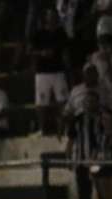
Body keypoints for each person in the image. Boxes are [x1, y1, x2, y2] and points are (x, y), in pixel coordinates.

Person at [67, 90, 105, 199]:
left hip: (98, 162)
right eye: (87, 101)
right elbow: (71, 140)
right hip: (82, 163)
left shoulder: (102, 118)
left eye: (92, 101)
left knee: (103, 193)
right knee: (84, 196)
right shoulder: (77, 120)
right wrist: (69, 158)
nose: (89, 104)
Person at [31, 7, 71, 136]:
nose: (52, 18)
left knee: (62, 100)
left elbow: (65, 51)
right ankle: (42, 129)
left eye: (54, 16)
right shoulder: (39, 33)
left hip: (58, 71)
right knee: (41, 102)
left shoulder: (61, 32)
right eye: (50, 15)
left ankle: (65, 128)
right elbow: (30, 51)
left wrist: (67, 66)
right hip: (42, 72)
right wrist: (42, 53)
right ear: (46, 18)